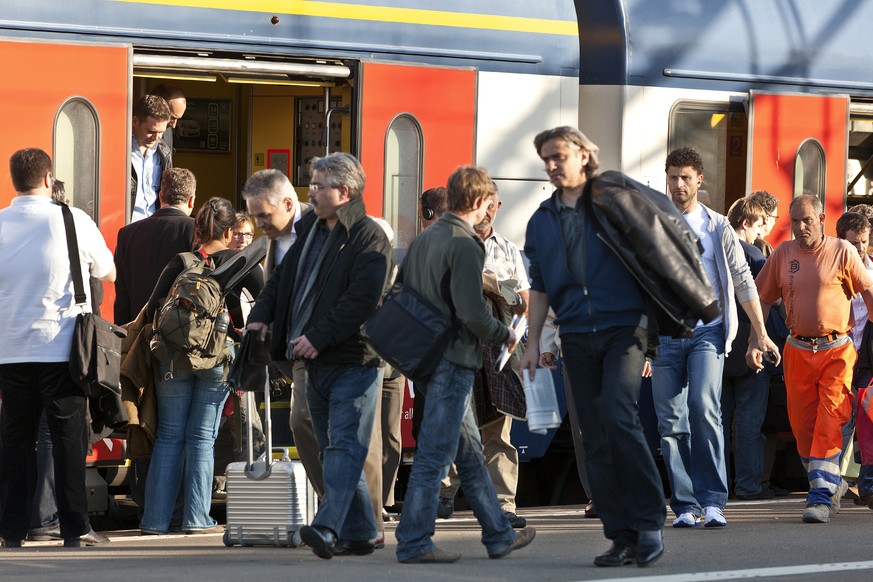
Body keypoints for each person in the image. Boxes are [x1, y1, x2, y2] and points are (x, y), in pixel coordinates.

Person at [520, 127, 721, 568]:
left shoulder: (612, 198)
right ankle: (620, 534)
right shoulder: (541, 220)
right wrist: (533, 341)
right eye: (546, 159)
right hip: (575, 334)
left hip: (624, 329)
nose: (553, 165)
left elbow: (659, 242)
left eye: (559, 155)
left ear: (583, 154)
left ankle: (649, 524)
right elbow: (538, 285)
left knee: (618, 415)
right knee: (593, 436)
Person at [247, 153, 395, 559]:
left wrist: (318, 335)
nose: (309, 192)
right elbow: (283, 280)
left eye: (317, 186)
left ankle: (328, 525)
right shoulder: (311, 227)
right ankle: (362, 531)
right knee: (332, 445)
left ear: (343, 192)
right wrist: (261, 317)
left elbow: (361, 300)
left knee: (344, 447)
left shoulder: (368, 235)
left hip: (354, 359)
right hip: (314, 359)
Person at [395, 165, 535, 564]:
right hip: (458, 359)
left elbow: (519, 297)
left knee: (473, 451)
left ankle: (497, 532)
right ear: (478, 202)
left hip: (435, 358)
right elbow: (472, 312)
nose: (488, 212)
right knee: (438, 455)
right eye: (485, 204)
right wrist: (504, 332)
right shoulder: (463, 242)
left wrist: (497, 284)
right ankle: (416, 539)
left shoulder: (428, 239)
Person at [652, 147, 778, 529]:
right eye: (672, 177)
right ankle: (685, 505)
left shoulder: (717, 226)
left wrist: (760, 332)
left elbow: (743, 281)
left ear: (699, 180)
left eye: (685, 178)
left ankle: (712, 501)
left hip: (707, 333)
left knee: (704, 408)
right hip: (664, 336)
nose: (678, 185)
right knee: (670, 422)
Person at [0, 148, 115, 548]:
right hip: (61, 347)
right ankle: (75, 528)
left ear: (16, 180)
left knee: (15, 439)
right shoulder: (73, 220)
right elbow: (107, 269)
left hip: (11, 349)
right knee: (68, 439)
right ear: (49, 179)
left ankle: (11, 531)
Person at [139, 197, 262, 535]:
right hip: (218, 360)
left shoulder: (180, 262)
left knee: (168, 437)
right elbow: (266, 308)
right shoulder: (243, 263)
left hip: (173, 360)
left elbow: (152, 311)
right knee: (201, 439)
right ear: (229, 231)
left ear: (197, 228)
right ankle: (195, 518)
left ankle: (154, 522)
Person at [752, 195, 873, 523]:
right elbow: (762, 297)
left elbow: (867, 289)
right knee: (803, 427)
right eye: (794, 221)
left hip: (837, 350)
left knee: (830, 419)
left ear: (821, 218)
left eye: (807, 220)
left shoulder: (842, 251)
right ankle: (828, 481)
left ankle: (819, 496)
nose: (800, 227)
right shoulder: (782, 253)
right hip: (798, 350)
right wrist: (756, 337)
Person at [437, 186, 530, 529]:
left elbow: (524, 302)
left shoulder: (507, 249)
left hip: (496, 351)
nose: (485, 211)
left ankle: (504, 503)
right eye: (478, 205)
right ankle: (443, 496)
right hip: (455, 347)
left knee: (497, 430)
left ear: (498, 206)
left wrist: (492, 285)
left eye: (490, 205)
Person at [241, 170, 325, 498]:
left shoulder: (322, 228)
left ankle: (348, 509)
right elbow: (273, 287)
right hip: (296, 352)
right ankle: (334, 504)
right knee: (305, 423)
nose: (259, 224)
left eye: (264, 215)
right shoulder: (274, 239)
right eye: (254, 216)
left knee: (310, 422)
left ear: (289, 204)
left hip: (328, 345)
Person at [721, 197, 772, 500]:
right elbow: (773, 299)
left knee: (721, 423)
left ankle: (720, 486)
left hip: (722, 348)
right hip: (751, 350)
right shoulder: (754, 255)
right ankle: (749, 486)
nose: (760, 231)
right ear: (745, 223)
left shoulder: (715, 253)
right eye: (759, 223)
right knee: (750, 425)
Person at [114, 167, 196, 325]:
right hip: (180, 333)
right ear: (191, 200)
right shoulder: (197, 231)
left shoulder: (127, 234)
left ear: (160, 196)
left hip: (137, 333)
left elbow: (122, 299)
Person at [834, 212, 873, 508]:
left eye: (864, 241)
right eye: (853, 243)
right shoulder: (833, 274)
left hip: (868, 362)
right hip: (841, 360)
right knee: (841, 423)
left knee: (869, 423)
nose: (860, 249)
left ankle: (865, 485)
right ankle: (831, 485)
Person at [131, 94, 173, 222]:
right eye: (151, 131)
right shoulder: (118, 150)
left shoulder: (163, 152)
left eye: (161, 132)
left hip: (154, 227)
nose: (156, 138)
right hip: (126, 227)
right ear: (135, 121)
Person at [149, 82, 187, 155]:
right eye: (171, 117)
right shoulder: (131, 128)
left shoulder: (168, 131)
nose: (174, 125)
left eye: (177, 119)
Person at [750, 190, 779, 257]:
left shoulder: (737, 239)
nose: (774, 222)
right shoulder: (763, 247)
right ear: (766, 218)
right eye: (775, 217)